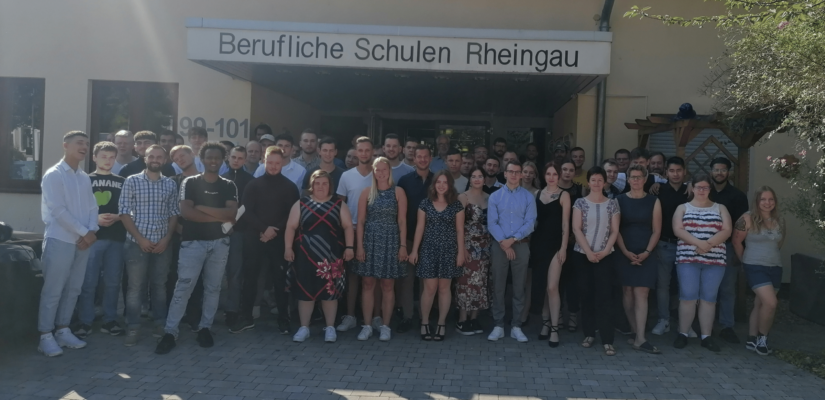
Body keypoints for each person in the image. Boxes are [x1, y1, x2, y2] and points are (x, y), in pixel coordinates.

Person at [155, 142, 238, 354]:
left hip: (219, 244)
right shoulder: (190, 183)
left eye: (217, 158)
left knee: (213, 287)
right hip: (193, 243)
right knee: (184, 285)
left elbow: (231, 214)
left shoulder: (229, 185)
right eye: (209, 157)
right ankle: (170, 331)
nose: (213, 161)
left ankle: (205, 328)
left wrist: (201, 207)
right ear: (202, 159)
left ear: (223, 160)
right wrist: (215, 215)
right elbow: (187, 213)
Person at [37, 131, 99, 356]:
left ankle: (63, 330)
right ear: (66, 145)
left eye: (86, 143)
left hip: (83, 242)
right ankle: (45, 335)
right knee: (53, 289)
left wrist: (92, 231)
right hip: (60, 239)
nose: (84, 147)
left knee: (74, 288)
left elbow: (93, 207)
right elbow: (58, 211)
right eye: (79, 143)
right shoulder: (54, 174)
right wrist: (85, 232)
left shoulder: (83, 176)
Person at [229, 146, 300, 335]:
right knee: (250, 278)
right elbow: (245, 211)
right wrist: (264, 229)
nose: (274, 166)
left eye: (278, 163)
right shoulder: (253, 184)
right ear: (264, 161)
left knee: (279, 280)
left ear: (283, 163)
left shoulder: (290, 187)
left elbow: (292, 214)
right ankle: (246, 317)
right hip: (255, 237)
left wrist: (273, 231)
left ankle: (283, 319)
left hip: (279, 239)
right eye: (270, 162)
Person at [119, 144, 180, 346]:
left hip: (163, 244)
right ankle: (133, 326)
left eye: (159, 157)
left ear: (164, 160)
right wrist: (140, 239)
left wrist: (167, 238)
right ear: (145, 158)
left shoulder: (170, 184)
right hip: (137, 244)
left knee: (159, 286)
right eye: (151, 156)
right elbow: (124, 213)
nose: (155, 159)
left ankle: (160, 323)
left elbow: (173, 214)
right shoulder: (132, 181)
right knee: (136, 288)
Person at [284, 171, 355, 343]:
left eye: (324, 183)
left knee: (330, 292)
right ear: (311, 185)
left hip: (331, 256)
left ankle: (330, 328)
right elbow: (291, 227)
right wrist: (287, 248)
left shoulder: (338, 204)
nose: (321, 187)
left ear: (330, 185)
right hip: (305, 255)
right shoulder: (301, 203)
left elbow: (347, 227)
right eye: (317, 183)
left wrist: (349, 247)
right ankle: (304, 328)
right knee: (305, 292)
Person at [672, 173, 732, 352]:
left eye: (706, 187)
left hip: (714, 261)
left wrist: (708, 245)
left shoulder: (720, 208)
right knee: (688, 297)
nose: (702, 190)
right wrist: (700, 244)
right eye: (699, 187)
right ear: (692, 188)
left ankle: (706, 336)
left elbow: (727, 230)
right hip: (688, 259)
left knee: (709, 298)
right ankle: (683, 333)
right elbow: (678, 229)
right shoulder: (682, 208)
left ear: (710, 189)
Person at [75, 142, 126, 339]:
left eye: (112, 157)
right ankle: (85, 321)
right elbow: (75, 207)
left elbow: (131, 208)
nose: (108, 160)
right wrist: (94, 219)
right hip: (92, 238)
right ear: (94, 158)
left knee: (113, 282)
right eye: (104, 156)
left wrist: (118, 217)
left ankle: (110, 319)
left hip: (117, 238)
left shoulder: (123, 181)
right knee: (88, 282)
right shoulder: (84, 180)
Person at [354, 157, 408, 341]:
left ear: (389, 171)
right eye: (378, 170)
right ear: (373, 172)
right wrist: (359, 245)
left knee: (387, 285)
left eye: (384, 169)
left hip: (391, 241)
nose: (381, 173)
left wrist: (402, 245)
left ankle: (385, 325)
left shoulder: (398, 192)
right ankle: (367, 325)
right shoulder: (366, 192)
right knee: (368, 284)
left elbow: (401, 220)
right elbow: (360, 221)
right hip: (370, 241)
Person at [408, 171, 464, 341]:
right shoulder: (425, 204)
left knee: (444, 289)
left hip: (448, 251)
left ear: (450, 185)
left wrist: (461, 252)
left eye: (445, 182)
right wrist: (414, 251)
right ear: (434, 184)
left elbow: (460, 230)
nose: (441, 185)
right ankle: (425, 322)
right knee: (429, 289)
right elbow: (420, 228)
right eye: (438, 182)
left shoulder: (456, 205)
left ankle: (441, 323)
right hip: (428, 250)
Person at [572, 166, 621, 356]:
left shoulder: (612, 204)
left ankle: (608, 340)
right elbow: (577, 229)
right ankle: (589, 334)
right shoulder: (580, 203)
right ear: (588, 182)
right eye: (593, 180)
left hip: (605, 256)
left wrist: (606, 250)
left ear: (604, 182)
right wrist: (589, 252)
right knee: (587, 295)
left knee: (605, 298)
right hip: (583, 256)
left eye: (600, 180)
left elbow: (615, 231)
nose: (597, 183)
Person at [487, 160, 537, 343]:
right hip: (499, 246)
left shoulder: (528, 197)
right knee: (498, 286)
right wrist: (504, 243)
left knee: (519, 287)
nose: (514, 175)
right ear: (505, 173)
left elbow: (530, 222)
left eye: (518, 172)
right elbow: (492, 223)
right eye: (511, 171)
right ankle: (498, 325)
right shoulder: (495, 197)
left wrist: (512, 240)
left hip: (521, 245)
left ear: (522, 175)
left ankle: (516, 325)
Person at [615, 165, 663, 354]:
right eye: (632, 177)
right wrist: (626, 251)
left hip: (646, 251)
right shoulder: (618, 200)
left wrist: (647, 251)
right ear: (627, 180)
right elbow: (615, 229)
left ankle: (641, 338)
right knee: (627, 291)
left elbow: (657, 230)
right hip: (624, 250)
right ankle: (636, 333)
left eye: (639, 177)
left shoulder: (654, 201)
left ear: (645, 179)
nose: (635, 180)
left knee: (641, 293)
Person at [733, 186, 785, 356]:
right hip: (754, 266)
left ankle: (752, 338)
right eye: (763, 199)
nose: (767, 203)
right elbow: (736, 242)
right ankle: (763, 339)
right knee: (771, 303)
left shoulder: (780, 219)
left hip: (775, 266)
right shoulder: (746, 218)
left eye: (770, 199)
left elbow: (779, 242)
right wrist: (745, 261)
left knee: (760, 303)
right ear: (757, 201)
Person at [335, 137, 377, 332]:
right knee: (352, 276)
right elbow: (340, 204)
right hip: (350, 231)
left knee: (373, 277)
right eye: (360, 150)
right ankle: (350, 315)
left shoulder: (380, 175)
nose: (364, 154)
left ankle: (376, 317)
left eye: (367, 150)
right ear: (356, 151)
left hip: (374, 231)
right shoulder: (346, 176)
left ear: (372, 152)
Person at [708, 157, 749, 344]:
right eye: (716, 170)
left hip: (728, 248)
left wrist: (739, 252)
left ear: (729, 173)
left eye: (723, 170)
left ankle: (727, 326)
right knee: (706, 288)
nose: (719, 173)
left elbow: (742, 227)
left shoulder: (738, 196)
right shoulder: (703, 192)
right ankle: (704, 325)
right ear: (711, 172)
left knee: (727, 289)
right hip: (705, 246)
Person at [395, 144, 435, 333]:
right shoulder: (404, 181)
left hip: (431, 239)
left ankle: (423, 316)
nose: (422, 160)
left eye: (425, 156)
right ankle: (407, 316)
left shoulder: (438, 181)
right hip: (409, 237)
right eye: (419, 156)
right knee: (408, 279)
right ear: (414, 158)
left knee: (426, 279)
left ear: (430, 158)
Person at [529, 163, 570, 347]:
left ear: (559, 176)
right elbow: (532, 221)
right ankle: (545, 323)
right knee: (543, 286)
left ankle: (555, 327)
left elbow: (565, 225)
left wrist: (563, 248)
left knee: (553, 287)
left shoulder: (564, 195)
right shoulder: (536, 194)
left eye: (555, 174)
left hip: (555, 246)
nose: (552, 177)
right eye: (548, 174)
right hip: (538, 245)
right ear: (544, 175)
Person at [652, 157, 689, 336]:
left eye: (679, 170)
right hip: (664, 244)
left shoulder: (690, 192)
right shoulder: (658, 191)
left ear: (684, 172)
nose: (675, 174)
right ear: (666, 172)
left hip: (686, 246)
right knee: (663, 285)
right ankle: (663, 320)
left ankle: (686, 323)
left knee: (686, 286)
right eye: (672, 171)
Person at [456, 167, 492, 336]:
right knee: (466, 283)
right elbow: (458, 226)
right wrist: (462, 248)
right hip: (468, 245)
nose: (477, 179)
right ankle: (462, 320)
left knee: (480, 283)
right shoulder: (463, 198)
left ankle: (474, 318)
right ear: (469, 179)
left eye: (480, 176)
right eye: (474, 176)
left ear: (484, 179)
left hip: (485, 247)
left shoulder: (490, 198)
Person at [221, 146, 254, 327]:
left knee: (235, 272)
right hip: (216, 231)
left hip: (238, 231)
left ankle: (231, 310)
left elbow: (246, 207)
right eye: (234, 157)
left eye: (240, 158)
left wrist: (231, 224)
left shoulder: (250, 180)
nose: (236, 161)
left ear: (245, 159)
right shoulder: (220, 179)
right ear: (228, 157)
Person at [558, 159, 583, 332]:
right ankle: (557, 314)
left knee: (573, 281)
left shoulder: (579, 191)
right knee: (556, 280)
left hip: (574, 242)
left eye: (571, 170)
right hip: (555, 240)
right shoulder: (552, 189)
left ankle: (573, 314)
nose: (567, 172)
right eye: (564, 169)